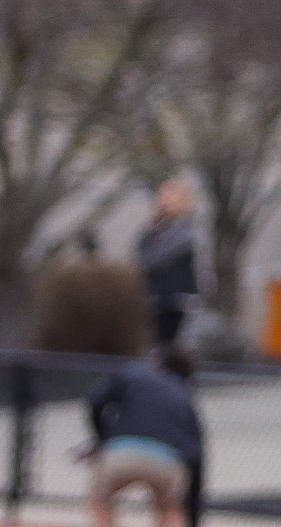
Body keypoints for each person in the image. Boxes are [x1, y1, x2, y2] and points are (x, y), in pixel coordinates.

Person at [85, 346, 203, 527]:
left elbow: (95, 400)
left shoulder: (132, 372)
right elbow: (196, 455)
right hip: (170, 461)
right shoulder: (185, 394)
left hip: (122, 454)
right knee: (168, 507)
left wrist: (102, 439)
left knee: (100, 497)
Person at [137, 178, 199, 345]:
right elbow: (140, 255)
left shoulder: (185, 229)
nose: (162, 199)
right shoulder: (155, 228)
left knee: (170, 344)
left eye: (168, 195)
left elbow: (156, 258)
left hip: (175, 302)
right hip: (155, 299)